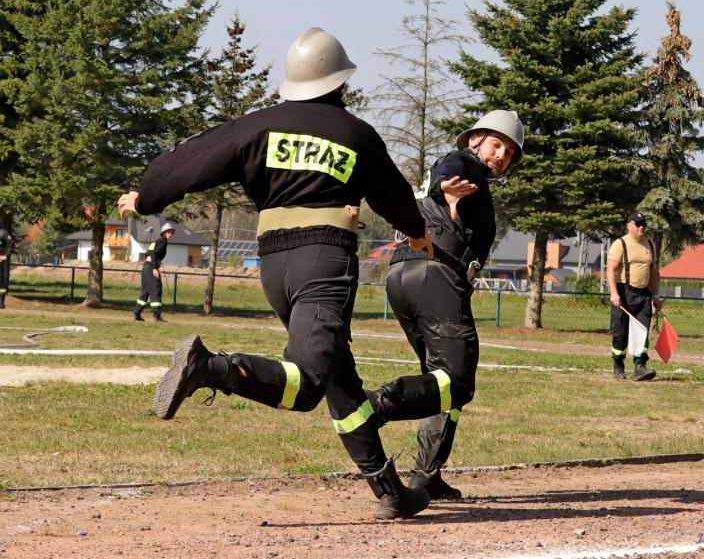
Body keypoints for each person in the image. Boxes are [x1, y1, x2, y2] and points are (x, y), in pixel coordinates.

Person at [117, 27, 434, 520]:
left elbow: (184, 163)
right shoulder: (356, 134)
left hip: (274, 267)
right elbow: (393, 195)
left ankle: (389, 490)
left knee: (338, 377)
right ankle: (208, 367)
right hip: (324, 262)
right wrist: (416, 233)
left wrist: (146, 199)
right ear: (340, 82)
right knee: (306, 384)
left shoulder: (255, 127)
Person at [366, 110, 524, 500]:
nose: (501, 155)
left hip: (404, 274)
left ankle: (427, 473)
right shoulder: (464, 163)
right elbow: (448, 171)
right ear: (474, 140)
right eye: (496, 144)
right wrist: (445, 189)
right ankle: (375, 406)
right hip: (435, 274)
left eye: (509, 152)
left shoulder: (477, 181)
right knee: (458, 381)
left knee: (440, 383)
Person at [605, 211, 661, 381]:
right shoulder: (620, 244)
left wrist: (656, 295)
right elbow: (610, 270)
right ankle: (618, 365)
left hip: (644, 295)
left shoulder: (650, 245)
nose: (641, 227)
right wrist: (614, 293)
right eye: (638, 224)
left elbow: (653, 272)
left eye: (644, 224)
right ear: (629, 225)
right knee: (620, 333)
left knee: (642, 331)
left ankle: (640, 367)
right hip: (624, 293)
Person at [134, 222, 176, 322]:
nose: (171, 234)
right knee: (156, 290)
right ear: (164, 232)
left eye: (172, 233)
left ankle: (137, 313)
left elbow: (148, 253)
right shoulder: (162, 241)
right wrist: (154, 268)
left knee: (145, 291)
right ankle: (157, 316)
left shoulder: (156, 241)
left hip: (146, 267)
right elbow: (154, 255)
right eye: (169, 232)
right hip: (151, 267)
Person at [0, 228, 13, 309]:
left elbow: (11, 243)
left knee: (0, 283)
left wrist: (5, 255)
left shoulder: (3, 233)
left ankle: (1, 303)